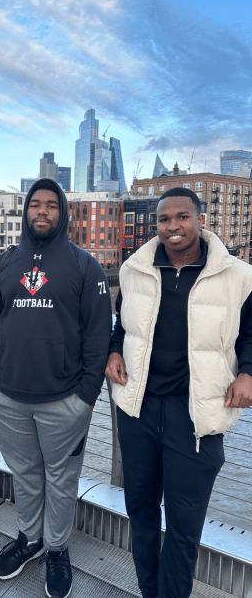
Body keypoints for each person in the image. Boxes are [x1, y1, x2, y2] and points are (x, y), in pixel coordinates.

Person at [105, 187, 252, 598]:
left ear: (200, 220)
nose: (173, 227)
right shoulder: (134, 269)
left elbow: (251, 338)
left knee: (185, 528)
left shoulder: (239, 277)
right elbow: (122, 326)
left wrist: (249, 375)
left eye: (182, 217)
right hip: (138, 412)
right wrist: (113, 351)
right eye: (164, 220)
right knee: (142, 516)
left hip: (197, 419)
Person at [0, 179, 112, 598]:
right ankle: (29, 539)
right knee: (26, 474)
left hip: (64, 402)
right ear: (25, 210)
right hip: (7, 397)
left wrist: (86, 399)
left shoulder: (84, 267)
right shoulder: (3, 265)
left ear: (63, 213)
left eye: (51, 206)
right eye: (35, 204)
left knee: (62, 477)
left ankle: (56, 548)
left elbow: (98, 336)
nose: (42, 211)